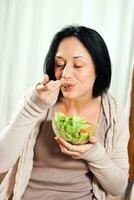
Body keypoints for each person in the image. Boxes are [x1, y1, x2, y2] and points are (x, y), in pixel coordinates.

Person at [0, 25, 129, 200]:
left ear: (98, 68)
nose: (65, 73)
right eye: (59, 64)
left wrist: (94, 155)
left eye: (78, 65)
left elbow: (118, 186)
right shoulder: (37, 98)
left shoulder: (112, 111)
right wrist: (33, 107)